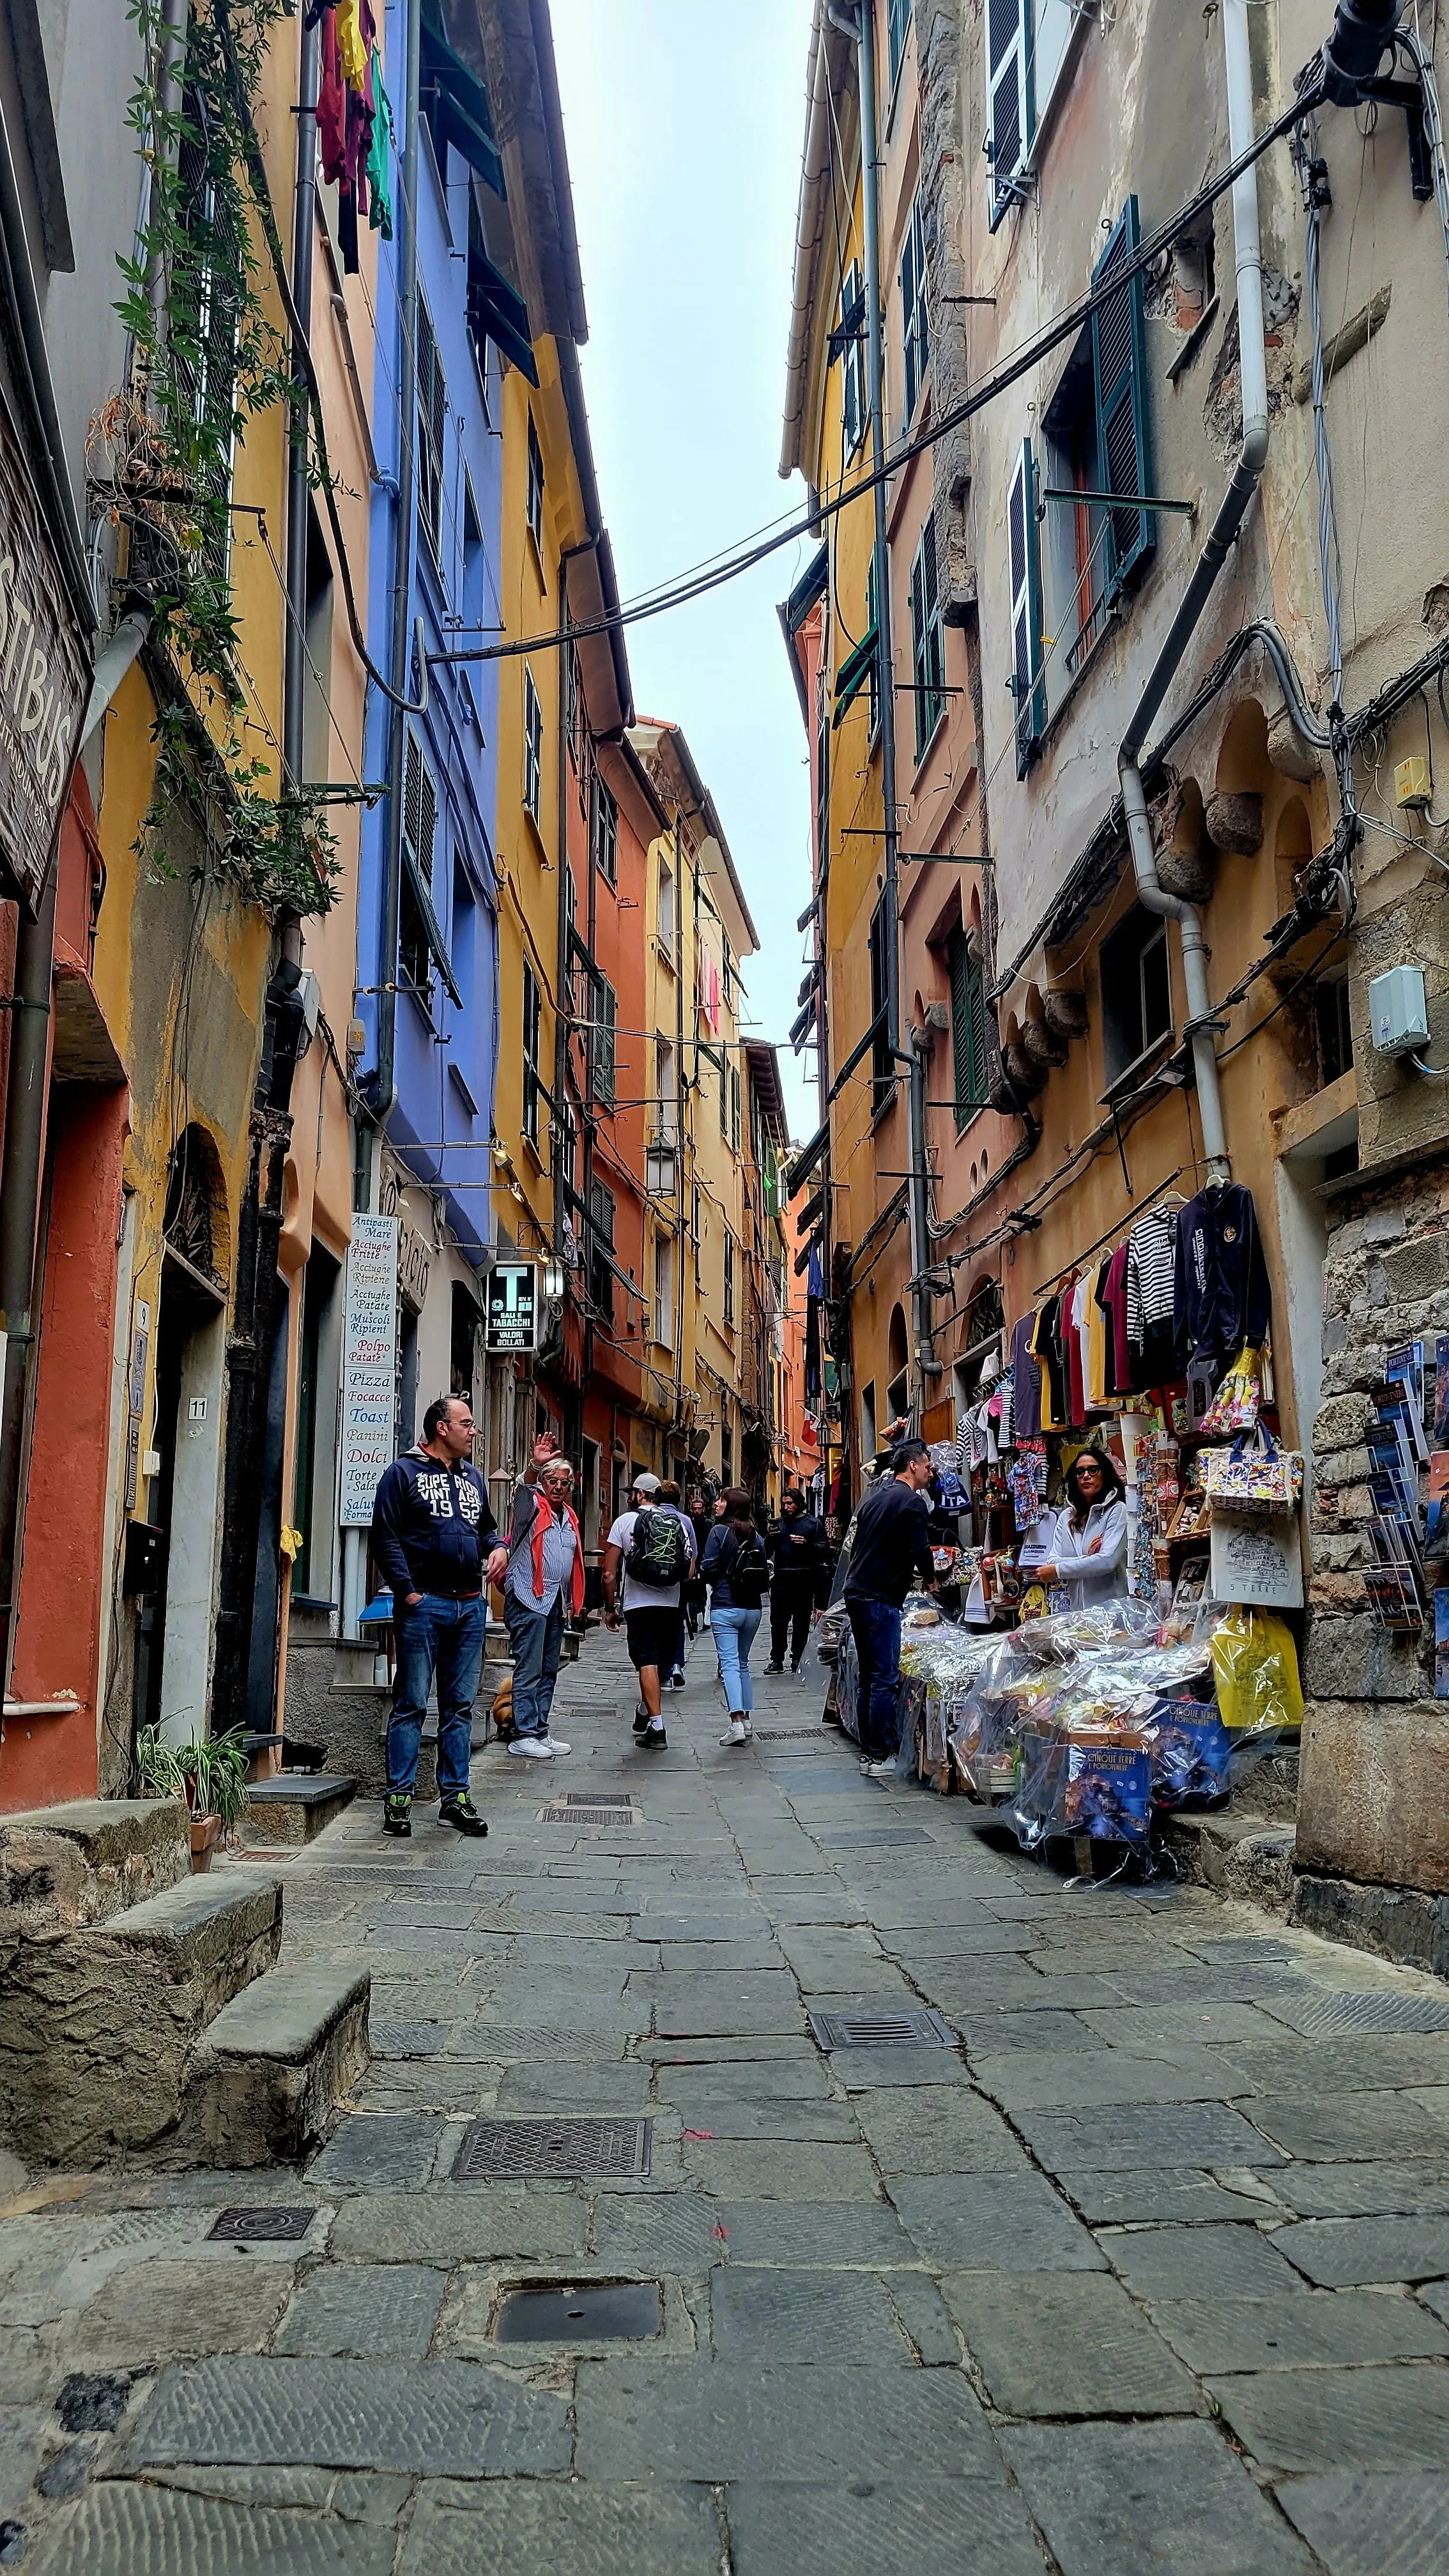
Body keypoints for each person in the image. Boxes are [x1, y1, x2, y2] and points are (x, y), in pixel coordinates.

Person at [371, 1402, 554, 1837]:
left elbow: (486, 1529)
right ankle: (398, 1800)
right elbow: (385, 1536)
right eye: (467, 1424)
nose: (474, 1431)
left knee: (460, 1707)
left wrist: (498, 1548)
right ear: (441, 1428)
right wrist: (408, 1592)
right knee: (412, 1703)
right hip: (425, 1605)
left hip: (470, 1605)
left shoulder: (473, 1477)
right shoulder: (402, 1474)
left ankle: (455, 1798)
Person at [843, 1439, 936, 1779]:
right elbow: (920, 1547)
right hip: (880, 1596)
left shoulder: (873, 1500)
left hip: (857, 1591)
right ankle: (880, 1753)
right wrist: (931, 1578)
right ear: (912, 1466)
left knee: (869, 1676)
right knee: (884, 1676)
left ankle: (868, 1751)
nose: (930, 1471)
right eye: (927, 1465)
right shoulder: (911, 1502)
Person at [498, 1454, 584, 1759]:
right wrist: (534, 1467)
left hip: (556, 1603)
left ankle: (540, 1730)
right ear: (544, 1484)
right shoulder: (532, 1508)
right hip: (528, 1598)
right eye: (552, 1481)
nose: (558, 1487)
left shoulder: (569, 1517)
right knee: (530, 1668)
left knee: (549, 1669)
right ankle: (523, 1734)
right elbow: (521, 1495)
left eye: (564, 1483)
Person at [602, 1471, 694, 1752]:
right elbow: (689, 1569)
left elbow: (608, 1574)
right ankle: (645, 1709)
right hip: (671, 1604)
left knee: (646, 1663)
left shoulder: (625, 1522)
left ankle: (657, 1728)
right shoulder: (676, 1522)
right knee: (656, 1664)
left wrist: (610, 1607)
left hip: (638, 1606)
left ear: (640, 1495)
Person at [703, 1488, 770, 1745]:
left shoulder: (718, 1532)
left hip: (725, 1605)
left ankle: (736, 1723)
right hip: (753, 1608)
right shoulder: (757, 1536)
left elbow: (708, 1565)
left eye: (721, 1500)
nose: (716, 1503)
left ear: (731, 1506)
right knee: (742, 1664)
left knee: (730, 1664)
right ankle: (748, 1720)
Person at [1035, 1449, 1130, 1608]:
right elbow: (1052, 1560)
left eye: (1093, 1470)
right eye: (1080, 1472)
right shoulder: (1066, 1517)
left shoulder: (1117, 1510)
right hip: (1078, 1614)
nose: (1086, 1476)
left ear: (1104, 1473)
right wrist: (1086, 1559)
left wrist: (1058, 1570)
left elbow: (1107, 1562)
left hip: (1111, 1613)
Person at [763, 1487, 830, 1673]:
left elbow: (824, 1549)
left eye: (789, 1503)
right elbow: (766, 1551)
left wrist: (806, 1545)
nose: (786, 1507)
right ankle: (777, 1659)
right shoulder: (779, 1524)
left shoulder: (813, 1524)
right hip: (782, 1578)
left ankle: (798, 1657)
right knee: (778, 1622)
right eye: (783, 1504)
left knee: (801, 1622)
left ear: (799, 1504)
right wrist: (770, 1538)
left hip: (804, 1578)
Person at [656, 1479, 696, 1689]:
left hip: (650, 1583)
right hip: (677, 1583)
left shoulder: (649, 1518)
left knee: (656, 1626)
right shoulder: (685, 1520)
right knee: (677, 1623)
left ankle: (660, 1670)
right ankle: (676, 1664)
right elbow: (693, 1555)